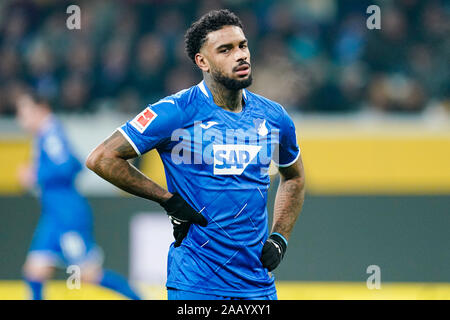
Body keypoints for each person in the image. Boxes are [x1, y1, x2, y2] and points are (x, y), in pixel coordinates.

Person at [86, 9, 305, 300]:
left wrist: (280, 237)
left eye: (242, 45)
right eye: (225, 50)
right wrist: (168, 200)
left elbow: (294, 177)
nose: (240, 55)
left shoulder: (274, 117)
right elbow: (101, 158)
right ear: (202, 61)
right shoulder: (175, 111)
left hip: (257, 287)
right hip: (195, 285)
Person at [16, 91, 141, 300]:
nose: (21, 117)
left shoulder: (51, 133)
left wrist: (35, 175)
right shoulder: (46, 135)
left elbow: (67, 166)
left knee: (89, 274)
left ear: (41, 108)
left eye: (25, 111)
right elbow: (73, 162)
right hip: (54, 216)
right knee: (34, 270)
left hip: (67, 216)